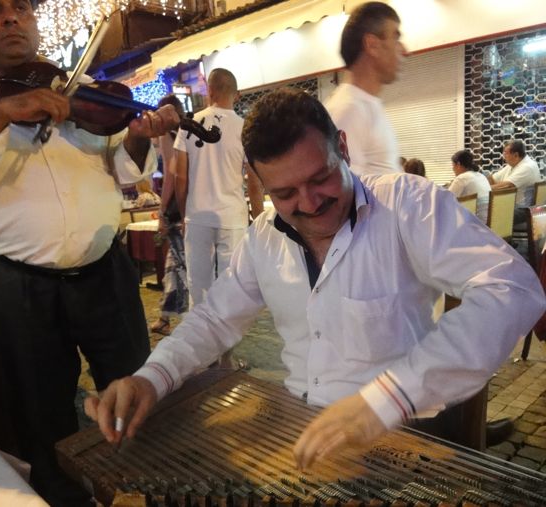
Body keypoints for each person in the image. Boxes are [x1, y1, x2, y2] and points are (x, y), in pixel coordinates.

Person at [85, 89, 545, 471]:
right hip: (298, 424)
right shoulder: (263, 237)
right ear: (259, 181)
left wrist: (389, 397)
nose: (308, 204)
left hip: (403, 429)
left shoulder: (405, 203)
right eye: (284, 192)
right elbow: (212, 320)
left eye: (322, 177)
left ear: (342, 147)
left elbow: (513, 288)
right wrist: (151, 378)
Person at [0, 1, 179, 505]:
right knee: (42, 412)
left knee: (135, 393)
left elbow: (122, 168)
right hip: (21, 286)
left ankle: (143, 488)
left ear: (34, 21)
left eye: (22, 8)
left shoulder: (75, 90)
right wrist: (2, 111)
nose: (12, 18)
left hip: (105, 273)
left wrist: (138, 140)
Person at [174, 68, 264, 307]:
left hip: (198, 214)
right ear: (237, 95)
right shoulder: (245, 128)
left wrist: (185, 213)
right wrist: (259, 219)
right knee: (231, 281)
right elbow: (254, 181)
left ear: (209, 90)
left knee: (198, 283)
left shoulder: (189, 123)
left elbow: (179, 176)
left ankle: (202, 339)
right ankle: (226, 338)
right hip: (232, 216)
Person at [325, 1, 405, 175]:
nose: (404, 49)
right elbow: (349, 198)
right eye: (396, 38)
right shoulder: (348, 110)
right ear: (372, 45)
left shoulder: (365, 105)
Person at [150, 95, 188, 336]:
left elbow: (172, 177)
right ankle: (165, 317)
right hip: (192, 205)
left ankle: (187, 322)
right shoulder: (188, 130)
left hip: (177, 208)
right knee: (174, 263)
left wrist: (163, 212)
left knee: (180, 265)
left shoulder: (168, 135)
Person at [488, 140, 541, 223]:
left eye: (506, 153)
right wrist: (483, 183)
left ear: (516, 155)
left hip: (523, 210)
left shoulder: (527, 167)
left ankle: (496, 235)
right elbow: (493, 178)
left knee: (485, 215)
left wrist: (482, 188)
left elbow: (507, 186)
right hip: (511, 205)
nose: (503, 156)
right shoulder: (513, 164)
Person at [448, 150, 491, 223]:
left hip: (473, 223)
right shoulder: (481, 176)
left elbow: (447, 200)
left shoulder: (461, 178)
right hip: (487, 222)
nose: (453, 169)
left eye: (453, 165)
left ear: (458, 164)